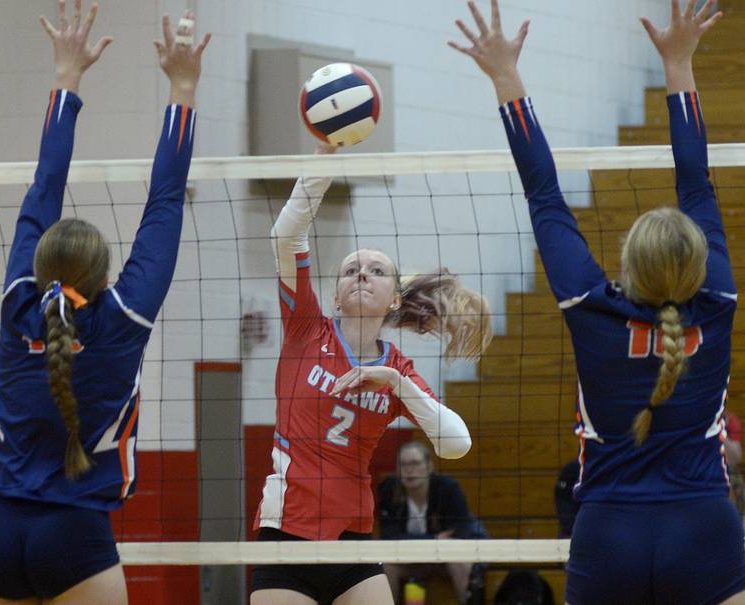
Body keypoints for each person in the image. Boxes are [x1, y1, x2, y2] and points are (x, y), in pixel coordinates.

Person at [450, 0, 745, 603]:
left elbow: (544, 193)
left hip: (610, 534)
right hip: (706, 529)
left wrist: (506, 77)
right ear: (695, 259)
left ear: (627, 264)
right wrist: (681, 63)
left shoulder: (591, 305)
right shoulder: (717, 296)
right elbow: (697, 180)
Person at [0, 2, 211, 603]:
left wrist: (66, 75)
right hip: (73, 532)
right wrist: (182, 85)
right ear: (105, 277)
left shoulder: (18, 303)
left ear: (39, 262)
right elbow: (166, 201)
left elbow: (43, 183)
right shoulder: (122, 320)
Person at [249, 144, 493, 605]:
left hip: (353, 539)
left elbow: (456, 444)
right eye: (350, 270)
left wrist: (395, 384)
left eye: (376, 271)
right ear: (336, 298)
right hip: (287, 536)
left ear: (394, 299)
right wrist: (321, 161)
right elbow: (286, 238)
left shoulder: (397, 369)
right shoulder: (306, 328)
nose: (361, 274)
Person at [378, 440, 489, 605]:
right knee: (385, 564)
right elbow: (389, 538)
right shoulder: (388, 489)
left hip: (445, 559)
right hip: (412, 560)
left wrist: (416, 542)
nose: (409, 470)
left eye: (415, 463)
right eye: (403, 464)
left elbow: (461, 532)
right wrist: (434, 540)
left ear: (429, 466)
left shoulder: (447, 488)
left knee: (460, 560)